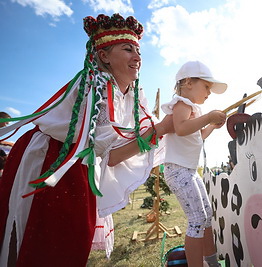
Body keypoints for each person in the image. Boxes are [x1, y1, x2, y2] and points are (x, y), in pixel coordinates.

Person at [0, 13, 174, 266]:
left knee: (70, 238)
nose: (138, 58)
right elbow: (111, 154)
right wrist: (161, 129)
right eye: (128, 49)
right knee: (41, 237)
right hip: (53, 159)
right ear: (103, 56)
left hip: (78, 163)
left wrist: (160, 128)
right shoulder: (95, 84)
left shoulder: (134, 94)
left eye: (139, 51)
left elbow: (120, 146)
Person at [161, 61, 227, 267]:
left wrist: (212, 127)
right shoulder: (181, 103)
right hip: (178, 170)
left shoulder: (193, 109)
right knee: (197, 220)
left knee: (206, 217)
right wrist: (208, 117)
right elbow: (180, 128)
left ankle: (211, 262)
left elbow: (196, 136)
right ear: (188, 82)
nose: (209, 93)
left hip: (188, 170)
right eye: (206, 87)